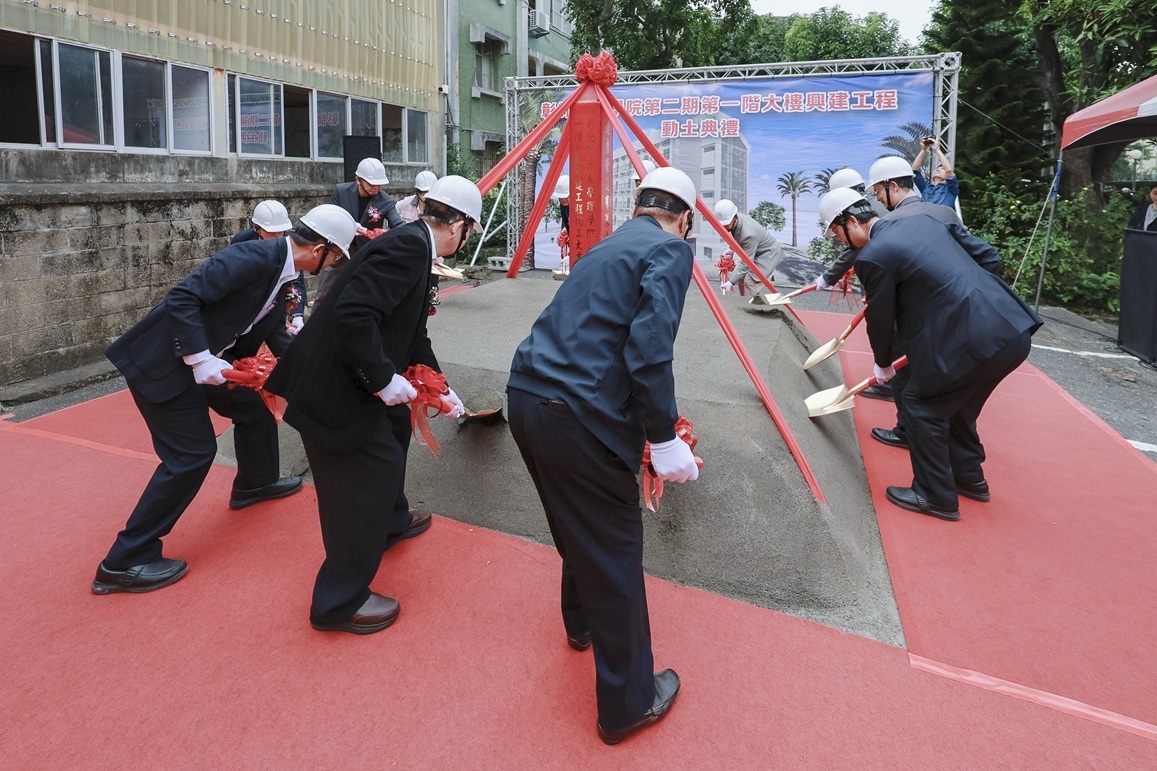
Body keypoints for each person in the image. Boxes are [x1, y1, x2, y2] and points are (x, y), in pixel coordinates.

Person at [507, 166, 701, 745]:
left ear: (639, 205)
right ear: (684, 218)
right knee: (615, 551)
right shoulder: (669, 249)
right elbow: (649, 346)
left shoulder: (606, 246)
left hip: (526, 396)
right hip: (577, 416)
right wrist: (664, 439)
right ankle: (628, 703)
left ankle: (582, 623)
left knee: (576, 526)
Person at [93, 204, 357, 595]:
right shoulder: (253, 255)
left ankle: (255, 482)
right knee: (190, 456)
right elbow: (182, 298)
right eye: (337, 256)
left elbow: (274, 335)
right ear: (322, 249)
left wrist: (311, 369)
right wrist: (200, 358)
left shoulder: (285, 274)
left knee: (251, 408)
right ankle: (125, 559)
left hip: (203, 362)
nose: (335, 264)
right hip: (165, 363)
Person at [265, 176, 479, 635]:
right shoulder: (408, 249)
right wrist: (383, 380)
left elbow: (412, 332)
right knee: (363, 477)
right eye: (471, 229)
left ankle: (390, 521)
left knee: (395, 430)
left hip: (351, 373)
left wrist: (441, 386)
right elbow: (355, 315)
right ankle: (338, 601)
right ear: (458, 224)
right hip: (334, 386)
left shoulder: (416, 246)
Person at [820, 187, 1042, 521]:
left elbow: (881, 320)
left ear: (851, 221)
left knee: (920, 405)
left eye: (838, 233)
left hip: (973, 339)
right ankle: (969, 479)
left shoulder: (873, 256)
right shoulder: (923, 222)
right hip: (1011, 329)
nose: (841, 242)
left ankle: (934, 495)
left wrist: (882, 363)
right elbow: (987, 257)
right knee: (958, 405)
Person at [315, 157, 404, 304]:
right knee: (325, 293)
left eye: (379, 184)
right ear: (358, 179)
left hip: (366, 252)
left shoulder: (386, 200)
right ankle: (316, 324)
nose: (376, 188)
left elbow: (398, 225)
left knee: (363, 295)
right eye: (371, 184)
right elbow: (329, 216)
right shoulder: (341, 191)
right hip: (338, 249)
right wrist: (348, 224)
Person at [230, 200, 308, 336]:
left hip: (275, 303)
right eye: (271, 232)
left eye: (280, 231)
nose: (277, 236)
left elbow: (296, 281)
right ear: (256, 227)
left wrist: (297, 315)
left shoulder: (291, 245)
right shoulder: (242, 241)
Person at [713, 198, 787, 295]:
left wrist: (731, 282)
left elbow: (746, 262)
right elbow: (736, 235)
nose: (723, 228)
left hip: (768, 253)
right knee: (741, 277)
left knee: (750, 281)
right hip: (757, 250)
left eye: (725, 225)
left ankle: (756, 306)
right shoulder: (735, 219)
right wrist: (731, 249)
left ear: (734, 218)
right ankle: (744, 301)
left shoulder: (749, 234)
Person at [912, 137, 959, 208]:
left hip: (941, 218)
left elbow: (949, 170)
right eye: (936, 168)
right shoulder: (926, 188)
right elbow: (915, 170)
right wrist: (923, 150)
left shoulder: (951, 188)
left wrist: (937, 149)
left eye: (942, 169)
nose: (938, 170)